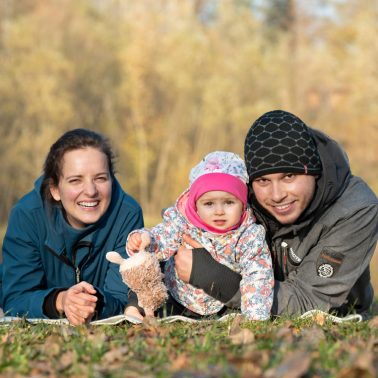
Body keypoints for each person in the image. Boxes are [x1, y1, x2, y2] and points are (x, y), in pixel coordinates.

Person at [174, 110, 378, 318]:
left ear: (313, 171)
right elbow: (180, 220)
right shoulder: (241, 199)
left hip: (331, 311)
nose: (277, 195)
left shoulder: (355, 209)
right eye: (263, 181)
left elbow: (308, 300)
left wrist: (214, 278)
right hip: (239, 302)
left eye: (289, 176)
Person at [1, 129, 144, 325]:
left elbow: (121, 300)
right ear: (55, 190)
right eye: (75, 180)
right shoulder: (26, 215)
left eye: (100, 178)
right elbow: (15, 299)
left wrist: (90, 303)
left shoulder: (128, 214)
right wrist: (60, 301)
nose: (91, 191)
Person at [124, 151, 274, 320]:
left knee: (235, 313)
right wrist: (145, 240)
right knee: (154, 285)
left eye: (229, 202)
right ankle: (140, 309)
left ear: (242, 203)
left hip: (222, 304)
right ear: (196, 204)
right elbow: (163, 238)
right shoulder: (183, 221)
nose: (219, 211)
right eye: (209, 203)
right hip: (177, 298)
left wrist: (256, 317)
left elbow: (258, 275)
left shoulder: (249, 235)